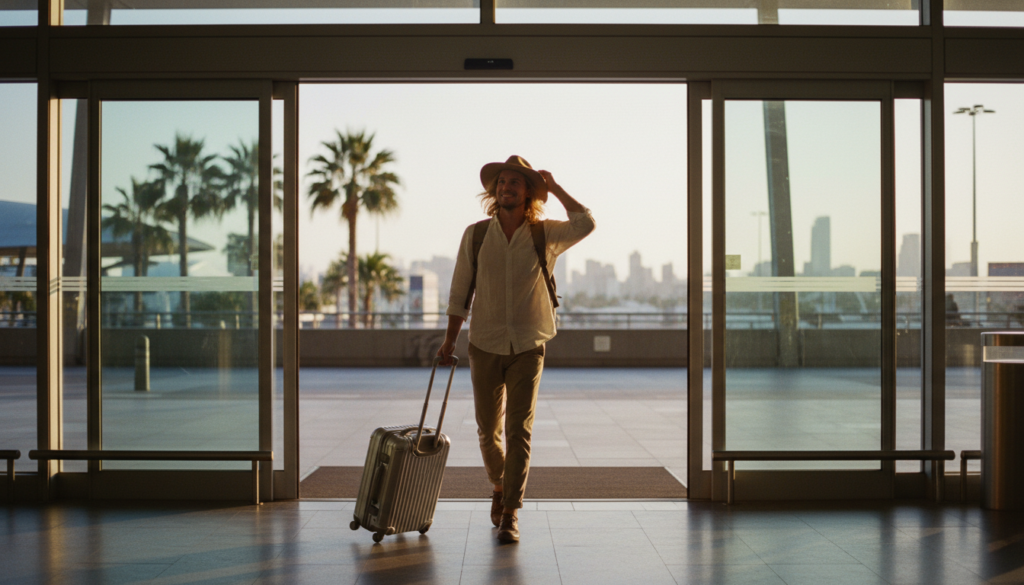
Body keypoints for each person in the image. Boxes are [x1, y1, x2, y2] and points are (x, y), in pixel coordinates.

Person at [437, 155, 595, 544]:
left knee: (518, 430)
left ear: (527, 194)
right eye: (502, 182)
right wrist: (449, 339)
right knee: (487, 429)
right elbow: (460, 291)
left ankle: (510, 512)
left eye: (515, 183)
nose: (506, 187)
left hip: (529, 344)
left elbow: (586, 223)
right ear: (495, 190)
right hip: (484, 343)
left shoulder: (545, 234)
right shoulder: (475, 235)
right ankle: (498, 484)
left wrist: (554, 187)